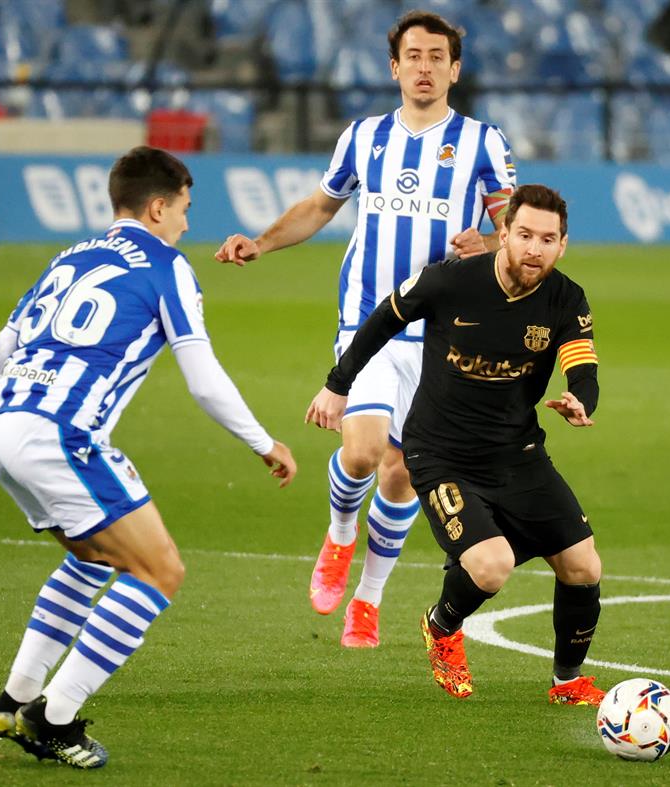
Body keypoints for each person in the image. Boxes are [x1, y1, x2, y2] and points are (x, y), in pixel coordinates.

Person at [0, 146, 297, 768]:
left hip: (0, 430)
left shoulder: (68, 258)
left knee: (96, 557)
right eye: (183, 209)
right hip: (59, 434)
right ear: (157, 207)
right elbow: (201, 377)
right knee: (160, 571)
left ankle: (15, 696)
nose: (185, 222)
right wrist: (263, 441)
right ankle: (54, 718)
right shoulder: (167, 265)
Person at [215, 10, 516, 648]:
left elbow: (515, 235)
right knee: (362, 451)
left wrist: (486, 241)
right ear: (395, 67)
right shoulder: (363, 137)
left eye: (438, 56)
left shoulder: (484, 142)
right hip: (370, 323)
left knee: (404, 472)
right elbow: (323, 205)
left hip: (444, 334)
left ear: (455, 70)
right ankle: (340, 538)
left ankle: (369, 600)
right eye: (414, 55)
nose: (425, 66)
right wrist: (263, 244)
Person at [306, 184, 605, 704]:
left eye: (548, 239)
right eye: (526, 234)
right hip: (441, 455)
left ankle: (568, 681)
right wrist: (338, 383)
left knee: (584, 567)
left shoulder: (566, 298)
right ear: (504, 234)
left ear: (563, 245)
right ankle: (441, 628)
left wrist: (581, 400)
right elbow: (381, 321)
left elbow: (583, 365)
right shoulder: (450, 281)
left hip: (518, 455)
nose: (535, 248)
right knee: (492, 567)